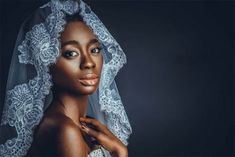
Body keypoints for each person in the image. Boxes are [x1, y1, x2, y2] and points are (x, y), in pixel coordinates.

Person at [0, 0, 132, 157]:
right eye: (71, 53)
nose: (89, 63)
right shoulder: (65, 130)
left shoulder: (83, 124)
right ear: (46, 62)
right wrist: (120, 152)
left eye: (95, 49)